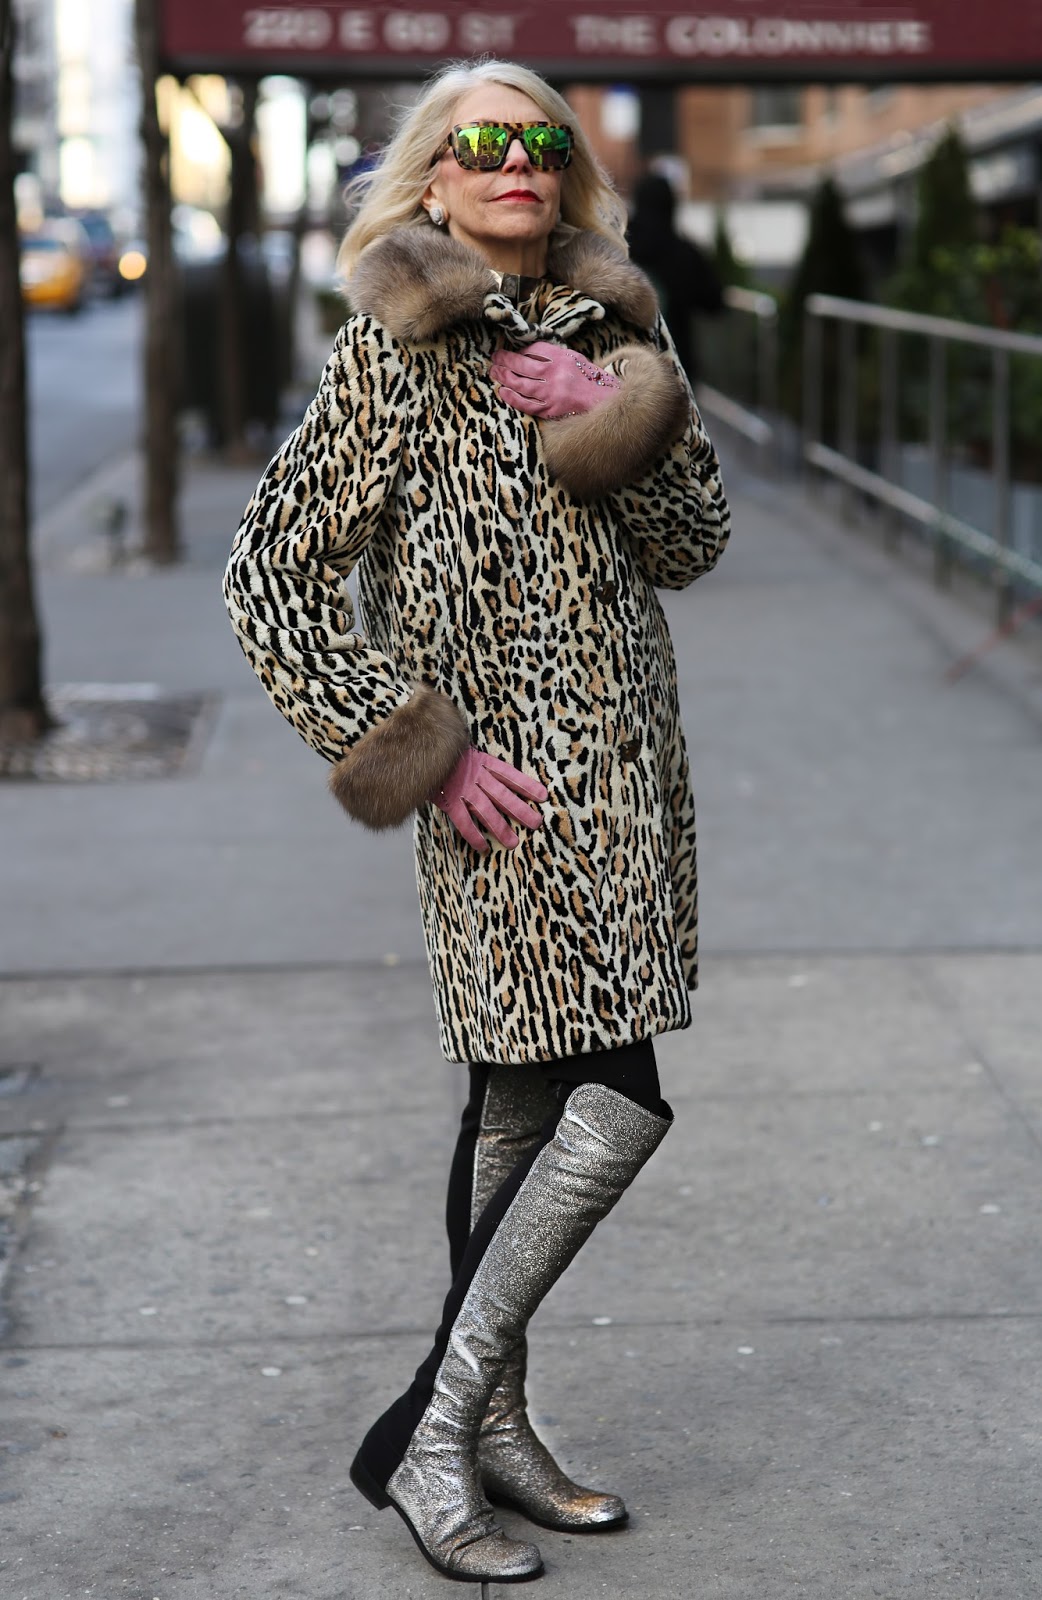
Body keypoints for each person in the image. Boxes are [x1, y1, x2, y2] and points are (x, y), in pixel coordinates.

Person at [224, 58, 730, 1585]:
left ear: (565, 172)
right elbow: (269, 577)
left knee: (520, 1100)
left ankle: (491, 1428)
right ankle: (434, 1433)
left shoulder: (619, 331)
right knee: (615, 1095)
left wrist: (609, 407)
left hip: (625, 775)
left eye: (539, 140)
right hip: (497, 794)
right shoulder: (393, 353)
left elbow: (693, 542)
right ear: (433, 181)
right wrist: (414, 751)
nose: (515, 161)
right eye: (480, 142)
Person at [627, 170, 724, 385]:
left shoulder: (619, 247)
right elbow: (715, 301)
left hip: (627, 367)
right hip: (677, 367)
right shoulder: (685, 252)